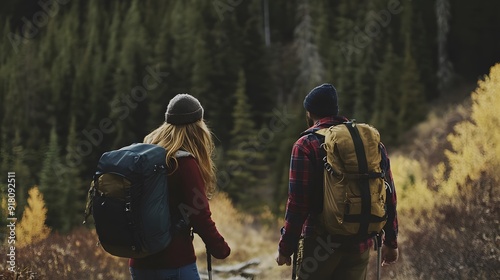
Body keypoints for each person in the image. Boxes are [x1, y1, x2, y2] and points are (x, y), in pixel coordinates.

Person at [276, 83, 399, 279]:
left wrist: (286, 247)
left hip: (319, 245)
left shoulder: (306, 144)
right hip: (360, 241)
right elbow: (388, 193)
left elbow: (298, 203)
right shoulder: (367, 143)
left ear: (309, 112)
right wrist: (391, 241)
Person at [129, 94, 231, 280]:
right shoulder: (183, 163)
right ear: (197, 128)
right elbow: (199, 214)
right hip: (174, 263)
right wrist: (220, 247)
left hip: (140, 262)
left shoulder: (147, 157)